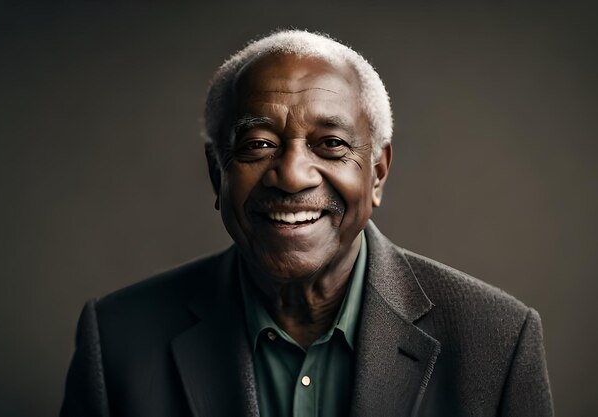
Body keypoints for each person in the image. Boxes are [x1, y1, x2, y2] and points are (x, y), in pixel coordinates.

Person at [60, 30, 554, 417]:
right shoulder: (120, 340)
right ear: (217, 173)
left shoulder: (497, 341)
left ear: (377, 172)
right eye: (257, 144)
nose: (292, 176)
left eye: (331, 144)